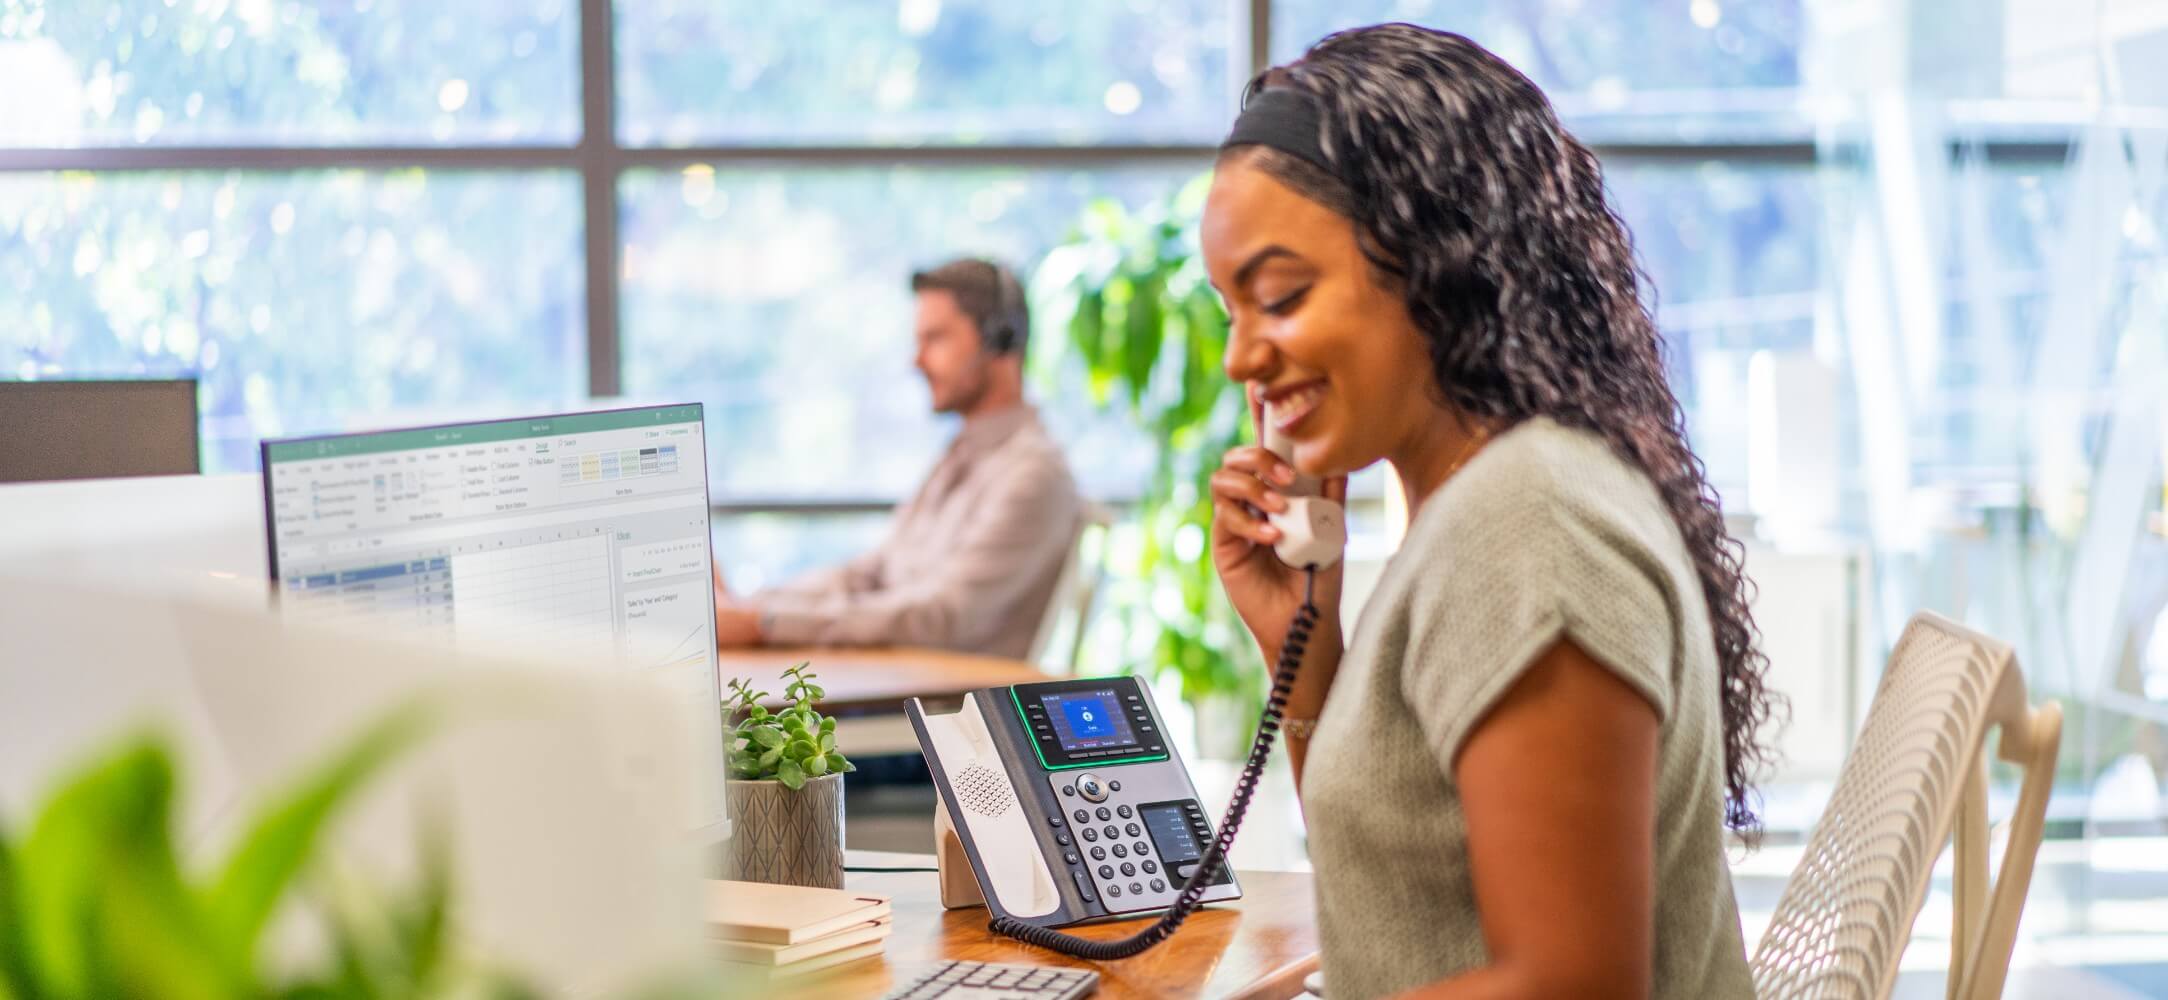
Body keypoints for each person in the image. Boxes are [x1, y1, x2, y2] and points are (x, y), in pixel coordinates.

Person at [1203, 25, 1779, 1000]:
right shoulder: (1483, 501)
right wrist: (1299, 633)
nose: (1240, 358)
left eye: (1282, 297)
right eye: (1232, 311)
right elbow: (1397, 874)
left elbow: (1570, 986)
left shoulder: (1524, 527)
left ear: (1433, 257)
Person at [712, 257, 1082, 659]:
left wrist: (762, 623)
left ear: (1000, 340)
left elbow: (939, 617)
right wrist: (752, 606)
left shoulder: (1032, 474)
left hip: (947, 700)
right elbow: (872, 573)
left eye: (935, 339)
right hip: (902, 678)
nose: (916, 360)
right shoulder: (963, 454)